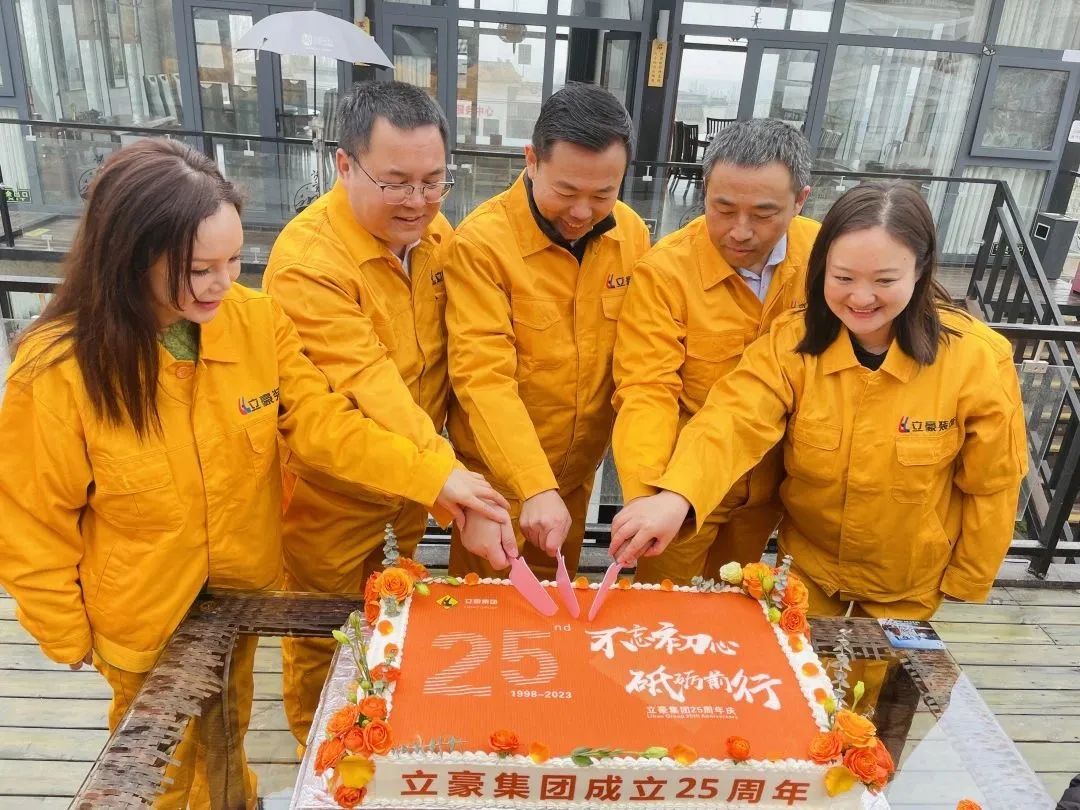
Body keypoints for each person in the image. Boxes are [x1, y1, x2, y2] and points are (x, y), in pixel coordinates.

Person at [0, 139, 508, 809]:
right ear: (130, 256)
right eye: (199, 269)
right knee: (164, 775)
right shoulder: (57, 369)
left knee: (227, 732)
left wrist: (435, 477)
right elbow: (31, 520)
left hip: (239, 591)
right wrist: (69, 635)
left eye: (234, 261)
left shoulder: (254, 321)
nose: (221, 283)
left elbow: (323, 423)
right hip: (140, 615)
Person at [610, 180, 1027, 620]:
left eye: (885, 280)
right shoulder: (793, 343)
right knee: (798, 661)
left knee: (883, 667)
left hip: (908, 583)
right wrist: (676, 497)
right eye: (843, 278)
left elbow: (993, 482)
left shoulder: (977, 358)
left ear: (921, 270)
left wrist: (969, 577)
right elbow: (734, 418)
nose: (861, 298)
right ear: (822, 266)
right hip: (807, 573)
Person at [263, 81, 514, 748]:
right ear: (344, 164)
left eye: (434, 181)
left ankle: (385, 726)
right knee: (321, 626)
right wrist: (445, 478)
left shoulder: (434, 234)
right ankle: (320, 751)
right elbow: (368, 381)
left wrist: (444, 476)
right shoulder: (308, 263)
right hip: (332, 486)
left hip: (414, 476)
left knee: (398, 602)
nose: (418, 201)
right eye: (397, 182)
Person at [444, 83, 652, 580]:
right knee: (485, 608)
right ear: (532, 161)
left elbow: (642, 362)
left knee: (557, 606)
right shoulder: (482, 244)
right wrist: (533, 484)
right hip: (498, 483)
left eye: (602, 194)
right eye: (566, 191)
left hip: (576, 477)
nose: (582, 212)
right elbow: (483, 376)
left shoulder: (630, 235)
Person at [612, 119, 817, 585]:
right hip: (679, 487)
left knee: (736, 598)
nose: (739, 232)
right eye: (722, 209)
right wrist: (647, 496)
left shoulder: (825, 258)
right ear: (704, 191)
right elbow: (646, 388)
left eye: (763, 214)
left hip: (771, 484)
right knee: (665, 604)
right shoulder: (666, 271)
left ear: (800, 200)